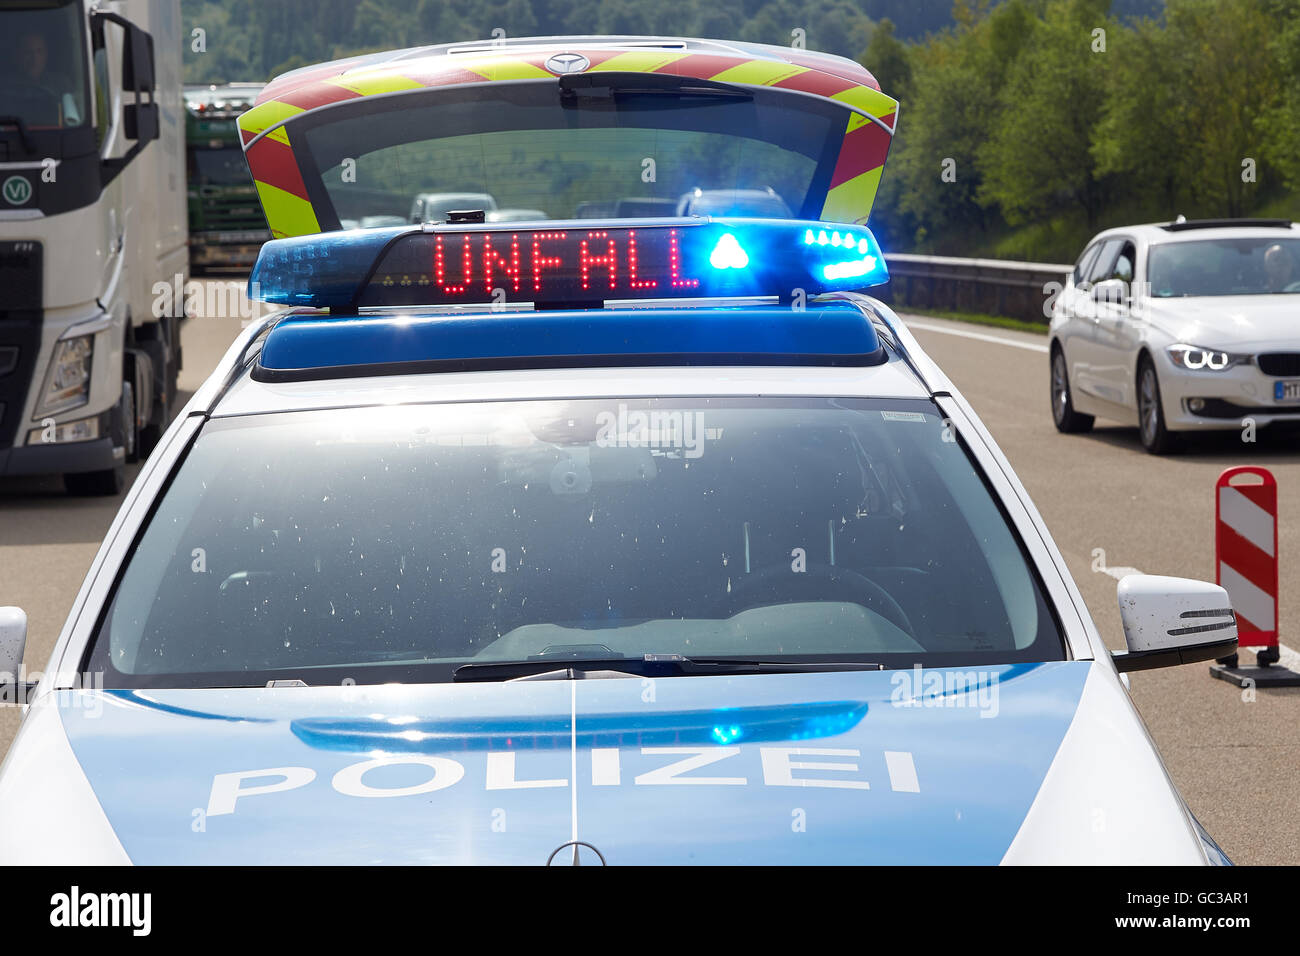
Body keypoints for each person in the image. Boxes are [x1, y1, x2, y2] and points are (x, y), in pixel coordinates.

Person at [10, 30, 82, 126]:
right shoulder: (6, 86)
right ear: (17, 56)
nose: (34, 59)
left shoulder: (61, 84)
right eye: (28, 52)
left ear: (46, 55)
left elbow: (73, 121)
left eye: (39, 51)